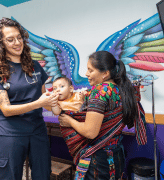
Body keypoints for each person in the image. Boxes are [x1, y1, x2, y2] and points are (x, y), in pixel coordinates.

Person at [0, 17, 59, 180]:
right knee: (10, 176)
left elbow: (43, 96)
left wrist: (54, 99)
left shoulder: (35, 65)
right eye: (10, 39)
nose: (17, 42)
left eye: (19, 37)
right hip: (10, 133)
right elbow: (6, 110)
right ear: (1, 43)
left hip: (37, 130)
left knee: (43, 173)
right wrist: (39, 103)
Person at [58, 51, 147, 180]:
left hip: (97, 160)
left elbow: (90, 132)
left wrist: (69, 121)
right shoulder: (121, 89)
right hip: (116, 155)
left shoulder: (100, 91)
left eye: (90, 70)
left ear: (105, 73)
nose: (86, 74)